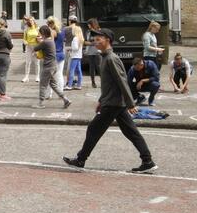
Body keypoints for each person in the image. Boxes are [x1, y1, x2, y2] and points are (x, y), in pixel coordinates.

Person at [63, 28, 158, 174]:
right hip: (113, 103)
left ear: (107, 40)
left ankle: (80, 160)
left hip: (113, 104)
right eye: (94, 40)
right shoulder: (105, 58)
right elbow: (110, 84)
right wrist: (102, 100)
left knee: (94, 129)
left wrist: (130, 103)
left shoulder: (111, 59)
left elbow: (122, 81)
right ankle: (147, 161)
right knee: (131, 132)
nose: (95, 42)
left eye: (98, 39)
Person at [33, 25, 71, 110]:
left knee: (43, 85)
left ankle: (40, 103)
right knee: (53, 85)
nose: (39, 34)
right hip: (54, 66)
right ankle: (65, 99)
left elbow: (35, 48)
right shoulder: (51, 41)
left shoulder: (45, 42)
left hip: (48, 67)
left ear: (43, 33)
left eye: (40, 33)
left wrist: (38, 41)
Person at [46, 16, 66, 94]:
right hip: (61, 54)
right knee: (59, 75)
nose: (48, 25)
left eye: (49, 23)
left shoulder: (52, 32)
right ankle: (61, 92)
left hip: (53, 55)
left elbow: (50, 43)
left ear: (52, 23)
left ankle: (49, 93)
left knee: (49, 75)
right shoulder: (62, 31)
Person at [65, 24, 85, 90]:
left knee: (71, 70)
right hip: (79, 56)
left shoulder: (75, 38)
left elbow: (75, 48)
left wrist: (69, 48)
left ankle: (70, 85)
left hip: (74, 56)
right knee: (79, 71)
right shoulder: (81, 38)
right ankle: (79, 85)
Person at [22, 16, 40, 83]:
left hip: (36, 47)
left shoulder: (37, 28)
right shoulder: (26, 29)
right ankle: (26, 76)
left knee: (37, 63)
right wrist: (25, 42)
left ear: (34, 21)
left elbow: (40, 37)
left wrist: (39, 42)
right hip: (29, 47)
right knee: (27, 62)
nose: (31, 21)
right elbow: (24, 38)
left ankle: (37, 76)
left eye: (32, 20)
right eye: (30, 21)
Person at [84, 18, 102, 88]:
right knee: (91, 67)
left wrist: (91, 42)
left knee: (99, 67)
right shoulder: (88, 32)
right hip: (90, 52)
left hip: (97, 51)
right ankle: (93, 82)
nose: (88, 25)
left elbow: (98, 41)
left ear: (93, 24)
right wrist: (92, 43)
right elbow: (85, 42)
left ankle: (102, 82)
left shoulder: (99, 31)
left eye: (89, 24)